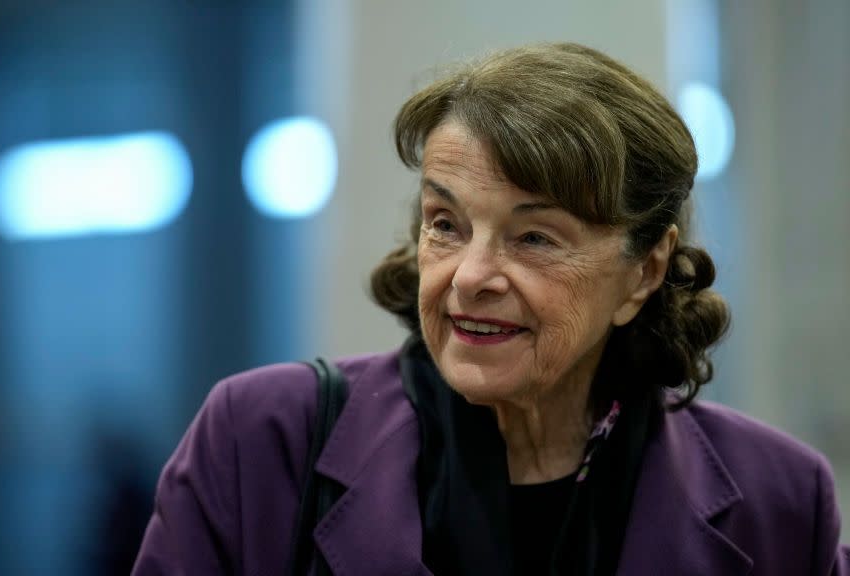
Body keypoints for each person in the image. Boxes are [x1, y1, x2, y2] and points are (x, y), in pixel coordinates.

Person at [132, 43, 850, 575]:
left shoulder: (780, 502)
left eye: (534, 238)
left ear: (645, 271)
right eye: (445, 224)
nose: (470, 276)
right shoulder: (262, 443)